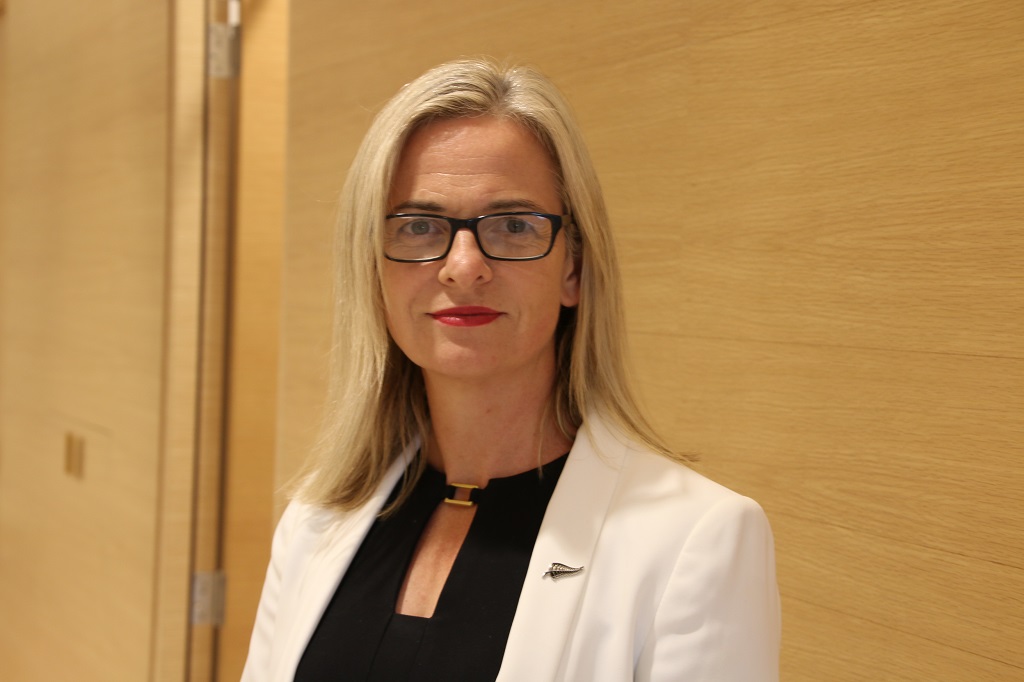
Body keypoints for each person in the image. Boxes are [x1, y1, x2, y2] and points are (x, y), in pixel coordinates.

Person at [242, 57, 780, 681]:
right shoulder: (316, 520)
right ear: (374, 274)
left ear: (573, 268)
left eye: (514, 225)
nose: (463, 267)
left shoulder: (696, 538)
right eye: (419, 226)